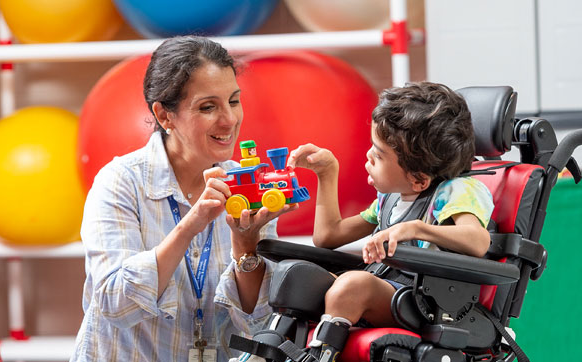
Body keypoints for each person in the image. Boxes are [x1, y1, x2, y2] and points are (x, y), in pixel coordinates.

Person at [70, 36, 297, 362]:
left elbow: (259, 321)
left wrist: (246, 247)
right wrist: (190, 225)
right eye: (208, 106)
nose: (229, 120)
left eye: (233, 101)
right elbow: (113, 305)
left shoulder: (246, 183)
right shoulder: (120, 182)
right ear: (164, 116)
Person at [233, 81, 494, 362]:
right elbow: (328, 236)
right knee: (297, 280)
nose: (369, 155)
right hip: (383, 286)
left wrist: (416, 228)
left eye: (379, 154)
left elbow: (478, 241)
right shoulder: (391, 199)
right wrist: (327, 172)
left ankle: (320, 356)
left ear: (418, 179)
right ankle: (262, 355)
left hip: (425, 301)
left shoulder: (456, 191)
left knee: (353, 286)